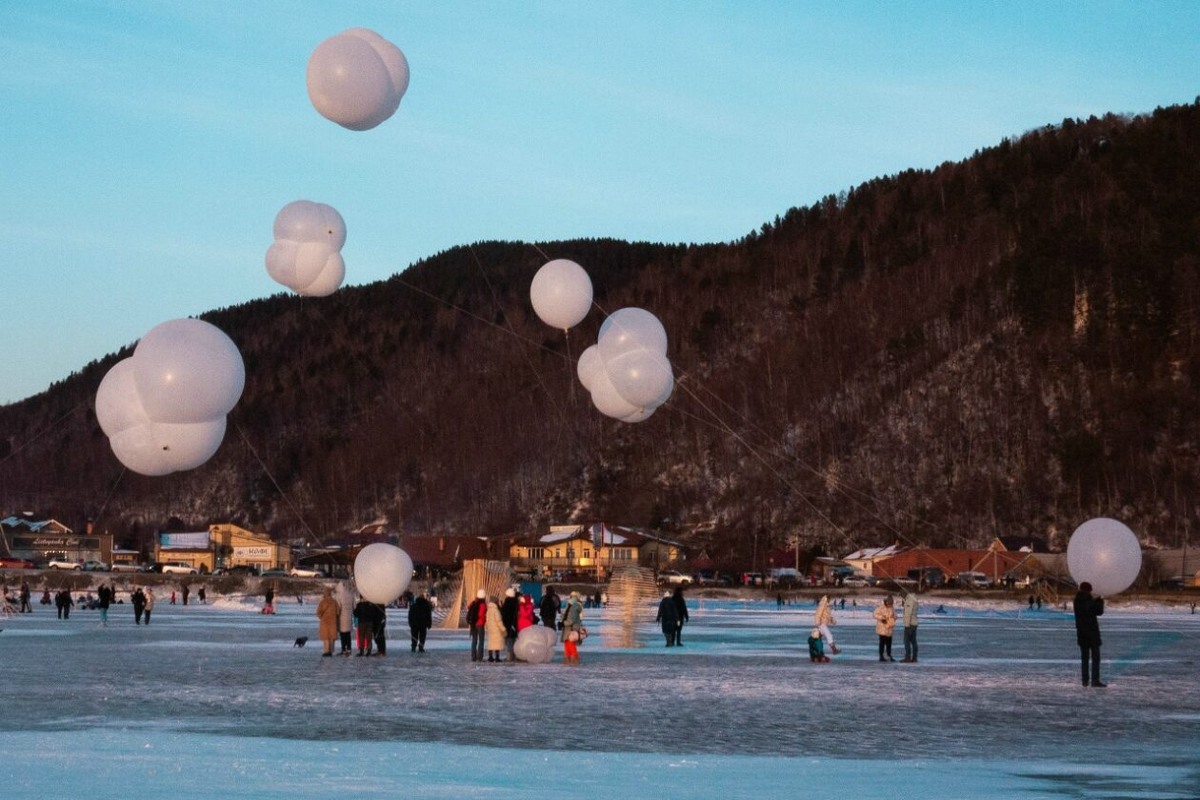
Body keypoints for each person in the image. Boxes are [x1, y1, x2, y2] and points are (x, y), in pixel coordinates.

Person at [1073, 581, 1106, 687]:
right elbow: (1098, 611)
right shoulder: (1089, 600)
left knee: (1085, 658)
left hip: (1082, 633)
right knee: (1096, 658)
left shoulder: (1077, 600)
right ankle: (1095, 680)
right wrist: (1100, 600)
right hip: (1092, 633)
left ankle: (1085, 680)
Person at [561, 591, 585, 664]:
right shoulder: (571, 605)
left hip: (571, 628)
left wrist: (563, 623)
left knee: (570, 644)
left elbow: (572, 619)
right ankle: (568, 658)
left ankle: (574, 658)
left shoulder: (573, 606)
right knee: (567, 643)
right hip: (569, 628)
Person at [315, 586, 340, 657]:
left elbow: (318, 612)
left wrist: (322, 618)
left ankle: (326, 651)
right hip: (333, 622)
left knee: (326, 638)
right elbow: (338, 612)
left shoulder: (323, 602)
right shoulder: (334, 602)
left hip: (325, 622)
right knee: (332, 637)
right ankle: (331, 651)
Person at [466, 589, 487, 662]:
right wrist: (485, 618)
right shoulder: (483, 604)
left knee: (474, 640)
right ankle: (479, 657)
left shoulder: (474, 603)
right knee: (481, 641)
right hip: (480, 624)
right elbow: (481, 614)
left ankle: (473, 657)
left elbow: (468, 607)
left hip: (473, 624)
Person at [874, 595, 897, 662]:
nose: (890, 604)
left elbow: (895, 615)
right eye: (889, 603)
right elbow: (875, 614)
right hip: (882, 628)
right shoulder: (880, 607)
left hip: (889, 628)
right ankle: (881, 656)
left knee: (889, 643)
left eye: (891, 603)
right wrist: (882, 618)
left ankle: (889, 655)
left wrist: (893, 618)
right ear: (886, 602)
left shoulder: (892, 608)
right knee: (882, 643)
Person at [484, 595, 506, 663]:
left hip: (490, 629)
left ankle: (490, 657)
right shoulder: (496, 611)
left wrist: (487, 627)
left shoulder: (488, 610)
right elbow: (498, 621)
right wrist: (503, 629)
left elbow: (487, 620)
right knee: (497, 643)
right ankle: (497, 657)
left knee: (491, 643)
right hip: (496, 629)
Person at [336, 581, 355, 655]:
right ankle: (349, 649)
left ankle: (343, 649)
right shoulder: (351, 595)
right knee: (348, 634)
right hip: (349, 617)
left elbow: (338, 608)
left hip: (341, 618)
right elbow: (354, 606)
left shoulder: (339, 596)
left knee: (343, 635)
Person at [500, 587, 520, 662]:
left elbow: (504, 614)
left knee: (508, 641)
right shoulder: (516, 602)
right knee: (513, 640)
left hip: (508, 624)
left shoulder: (507, 602)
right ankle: (513, 655)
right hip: (514, 624)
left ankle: (509, 657)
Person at [901, 592, 919, 663]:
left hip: (910, 624)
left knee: (906, 641)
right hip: (914, 623)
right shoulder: (913, 598)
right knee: (913, 641)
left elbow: (908, 613)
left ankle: (908, 657)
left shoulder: (910, 600)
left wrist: (907, 625)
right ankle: (914, 658)